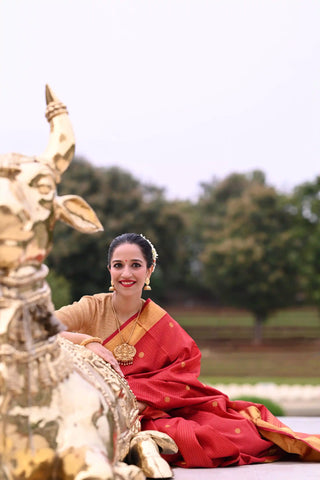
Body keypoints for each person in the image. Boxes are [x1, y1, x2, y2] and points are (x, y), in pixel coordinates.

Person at [56, 232, 320, 468]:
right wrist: (87, 341)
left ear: (149, 270)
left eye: (135, 265)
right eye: (118, 265)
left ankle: (142, 443)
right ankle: (140, 445)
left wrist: (139, 398)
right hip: (96, 401)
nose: (126, 274)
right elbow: (37, 327)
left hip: (147, 407)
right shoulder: (91, 307)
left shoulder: (158, 321)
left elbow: (184, 367)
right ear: (109, 270)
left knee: (223, 433)